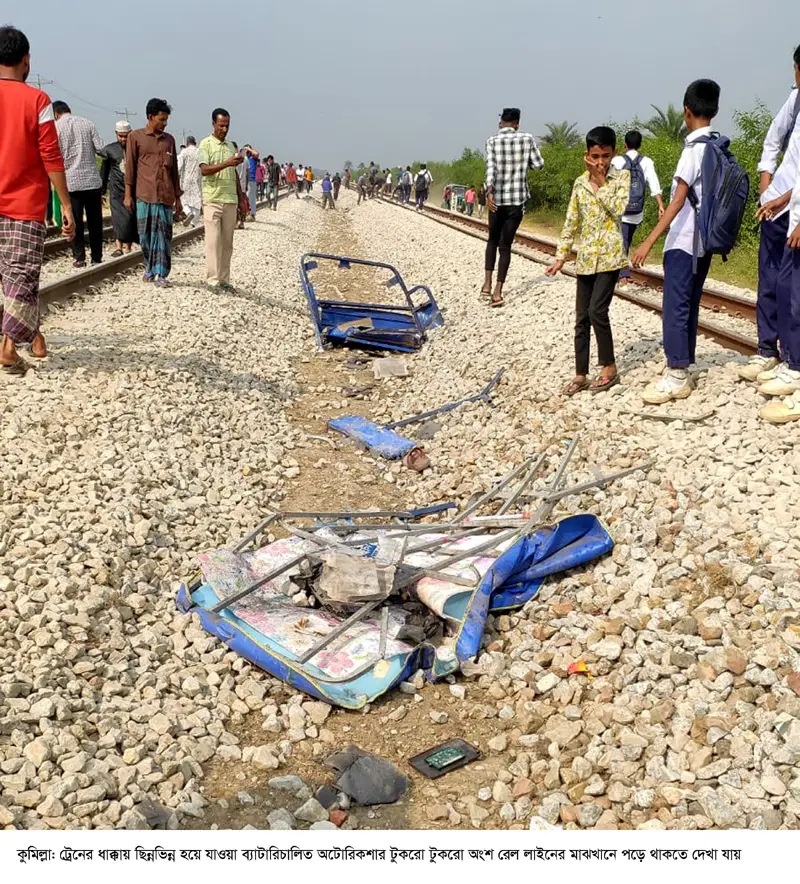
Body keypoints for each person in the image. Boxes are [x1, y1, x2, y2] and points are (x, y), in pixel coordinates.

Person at [632, 79, 722, 403]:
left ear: (687, 111)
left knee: (674, 307)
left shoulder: (693, 150)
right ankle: (685, 364)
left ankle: (676, 374)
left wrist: (648, 242)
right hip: (706, 243)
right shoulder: (716, 146)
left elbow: (677, 201)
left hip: (684, 242)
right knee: (689, 304)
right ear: (715, 109)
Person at [0, 24, 74, 375]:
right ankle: (9, 347)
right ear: (25, 60)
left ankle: (35, 335)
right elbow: (50, 155)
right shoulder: (38, 101)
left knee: (13, 277)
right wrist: (67, 205)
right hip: (24, 205)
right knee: (21, 276)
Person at [546, 126, 630, 395]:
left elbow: (618, 210)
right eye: (595, 156)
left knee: (597, 311)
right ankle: (580, 373)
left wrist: (602, 182)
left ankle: (609, 367)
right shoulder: (580, 183)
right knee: (581, 318)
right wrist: (561, 257)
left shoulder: (621, 178)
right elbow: (572, 222)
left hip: (610, 258)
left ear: (614, 153)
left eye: (605, 156)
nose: (600, 162)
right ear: (587, 155)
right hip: (585, 260)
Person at [739, 48, 800, 386]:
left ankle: (792, 362)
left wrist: (783, 198)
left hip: (791, 208)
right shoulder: (795, 101)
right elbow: (772, 142)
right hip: (777, 207)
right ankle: (767, 350)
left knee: (792, 286)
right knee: (770, 280)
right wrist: (767, 188)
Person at [482, 108, 544, 306]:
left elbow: (490, 168)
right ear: (517, 123)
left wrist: (489, 191)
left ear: (501, 122)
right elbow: (538, 164)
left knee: (492, 240)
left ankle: (486, 284)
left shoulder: (492, 141)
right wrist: (522, 163)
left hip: (496, 200)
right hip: (516, 201)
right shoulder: (527, 139)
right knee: (505, 246)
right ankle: (498, 292)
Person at [124, 97, 182, 287]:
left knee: (164, 237)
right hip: (144, 195)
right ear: (150, 117)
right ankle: (149, 267)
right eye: (161, 120)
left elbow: (174, 172)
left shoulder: (169, 141)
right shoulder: (135, 137)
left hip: (165, 197)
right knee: (145, 236)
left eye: (166, 121)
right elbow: (130, 168)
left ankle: (161, 273)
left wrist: (178, 199)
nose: (164, 124)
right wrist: (128, 195)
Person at [761, 176, 800, 423]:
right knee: (786, 291)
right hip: (793, 224)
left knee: (798, 304)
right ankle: (793, 362)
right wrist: (782, 200)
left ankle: (797, 370)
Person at [198, 107, 249, 292]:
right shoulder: (205, 144)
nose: (224, 129)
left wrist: (241, 197)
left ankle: (224, 279)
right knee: (213, 242)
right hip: (212, 199)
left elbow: (233, 173)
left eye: (227, 126)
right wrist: (227, 163)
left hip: (230, 200)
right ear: (213, 124)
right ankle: (212, 280)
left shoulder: (230, 146)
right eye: (221, 125)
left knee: (227, 243)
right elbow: (204, 169)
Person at [610, 130, 665, 287]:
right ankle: (620, 273)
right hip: (636, 211)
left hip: (620, 209)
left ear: (625, 145)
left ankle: (622, 276)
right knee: (625, 239)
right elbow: (654, 184)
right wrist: (660, 205)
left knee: (623, 241)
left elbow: (609, 182)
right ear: (640, 144)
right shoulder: (646, 162)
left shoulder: (617, 160)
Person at [53, 100, 104, 268]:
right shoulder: (88, 123)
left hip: (71, 183)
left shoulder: (56, 128)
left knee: (74, 221)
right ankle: (96, 257)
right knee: (95, 221)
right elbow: (100, 149)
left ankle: (79, 257)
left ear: (56, 114)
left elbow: (54, 155)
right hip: (92, 181)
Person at [101, 120, 138, 255]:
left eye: (125, 136)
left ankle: (128, 247)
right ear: (116, 134)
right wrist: (102, 192)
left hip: (132, 189)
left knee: (129, 218)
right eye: (120, 136)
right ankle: (118, 247)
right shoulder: (110, 149)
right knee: (117, 218)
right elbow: (104, 172)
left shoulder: (136, 148)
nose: (123, 139)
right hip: (116, 190)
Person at [177, 135, 202, 228]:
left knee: (184, 199)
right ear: (195, 142)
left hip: (185, 180)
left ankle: (188, 212)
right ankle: (193, 222)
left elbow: (179, 166)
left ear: (187, 143)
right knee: (197, 202)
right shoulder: (199, 152)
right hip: (197, 179)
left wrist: (177, 176)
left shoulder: (184, 152)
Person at [244, 145, 260, 220]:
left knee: (251, 197)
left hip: (251, 179)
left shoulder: (253, 158)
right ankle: (246, 213)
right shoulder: (244, 158)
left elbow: (257, 153)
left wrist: (249, 149)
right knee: (245, 197)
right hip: (244, 179)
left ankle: (252, 214)